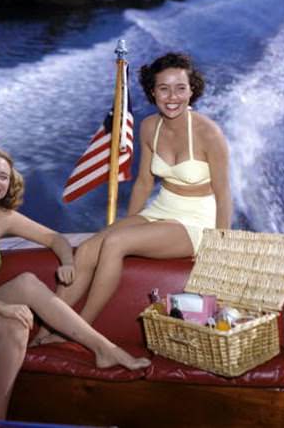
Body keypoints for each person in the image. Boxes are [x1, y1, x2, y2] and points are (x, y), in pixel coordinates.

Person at [0, 148, 150, 420]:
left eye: (3, 176)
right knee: (15, 326)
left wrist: (68, 262)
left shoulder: (1, 218)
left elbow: (55, 238)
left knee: (27, 283)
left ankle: (104, 349)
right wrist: (4, 308)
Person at [33, 52, 232, 345]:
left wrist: (218, 245)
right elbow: (143, 182)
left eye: (180, 88)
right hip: (162, 207)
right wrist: (128, 222)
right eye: (163, 88)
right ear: (153, 92)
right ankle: (46, 329)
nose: (172, 96)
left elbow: (224, 191)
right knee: (89, 248)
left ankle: (79, 330)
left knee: (115, 243)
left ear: (192, 90)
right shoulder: (149, 126)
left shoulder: (209, 133)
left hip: (196, 220)